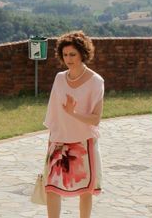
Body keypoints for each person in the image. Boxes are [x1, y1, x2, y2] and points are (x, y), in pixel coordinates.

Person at [43, 31, 104, 218]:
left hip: (84, 143)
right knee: (51, 188)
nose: (68, 59)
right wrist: (50, 142)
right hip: (59, 141)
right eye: (65, 54)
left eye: (73, 54)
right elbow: (53, 113)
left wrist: (73, 113)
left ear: (83, 54)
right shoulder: (60, 78)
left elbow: (96, 119)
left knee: (86, 190)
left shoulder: (96, 81)